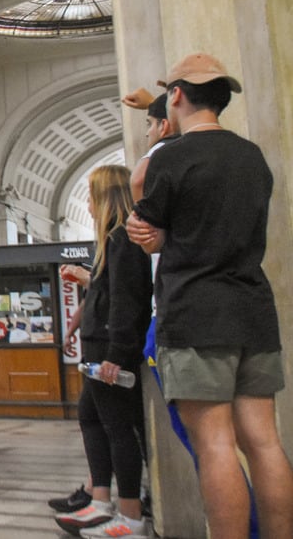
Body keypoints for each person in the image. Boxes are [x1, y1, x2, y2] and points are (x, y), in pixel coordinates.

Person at [127, 53, 293, 539]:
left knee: (216, 445)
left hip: (195, 312)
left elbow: (148, 225)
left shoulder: (170, 158)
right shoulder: (252, 156)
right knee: (265, 442)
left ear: (176, 95)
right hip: (253, 312)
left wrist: (152, 234)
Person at [55, 166, 153, 538]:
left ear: (105, 197)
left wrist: (116, 352)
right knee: (91, 416)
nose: (88, 206)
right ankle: (100, 498)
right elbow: (109, 292)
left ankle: (130, 515)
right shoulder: (110, 241)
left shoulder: (121, 238)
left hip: (110, 348)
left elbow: (127, 300)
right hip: (97, 345)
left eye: (92, 196)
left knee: (117, 428)